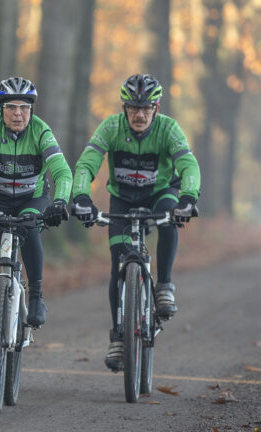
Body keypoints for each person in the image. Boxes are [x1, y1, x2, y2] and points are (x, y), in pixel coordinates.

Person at [71, 73, 201, 371]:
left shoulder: (169, 128)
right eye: (133, 109)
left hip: (159, 195)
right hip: (123, 199)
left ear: (157, 108)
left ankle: (165, 284)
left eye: (146, 108)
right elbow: (88, 161)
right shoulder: (111, 127)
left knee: (170, 217)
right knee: (118, 262)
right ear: (123, 108)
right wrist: (80, 196)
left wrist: (189, 198)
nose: (139, 115)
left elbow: (188, 163)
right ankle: (118, 334)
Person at [0, 77, 72, 374]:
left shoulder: (41, 131)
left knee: (31, 228)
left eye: (24, 107)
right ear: (1, 109)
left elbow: (62, 171)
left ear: (32, 109)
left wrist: (60, 201)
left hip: (31, 202)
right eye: (11, 107)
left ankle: (36, 297)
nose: (17, 113)